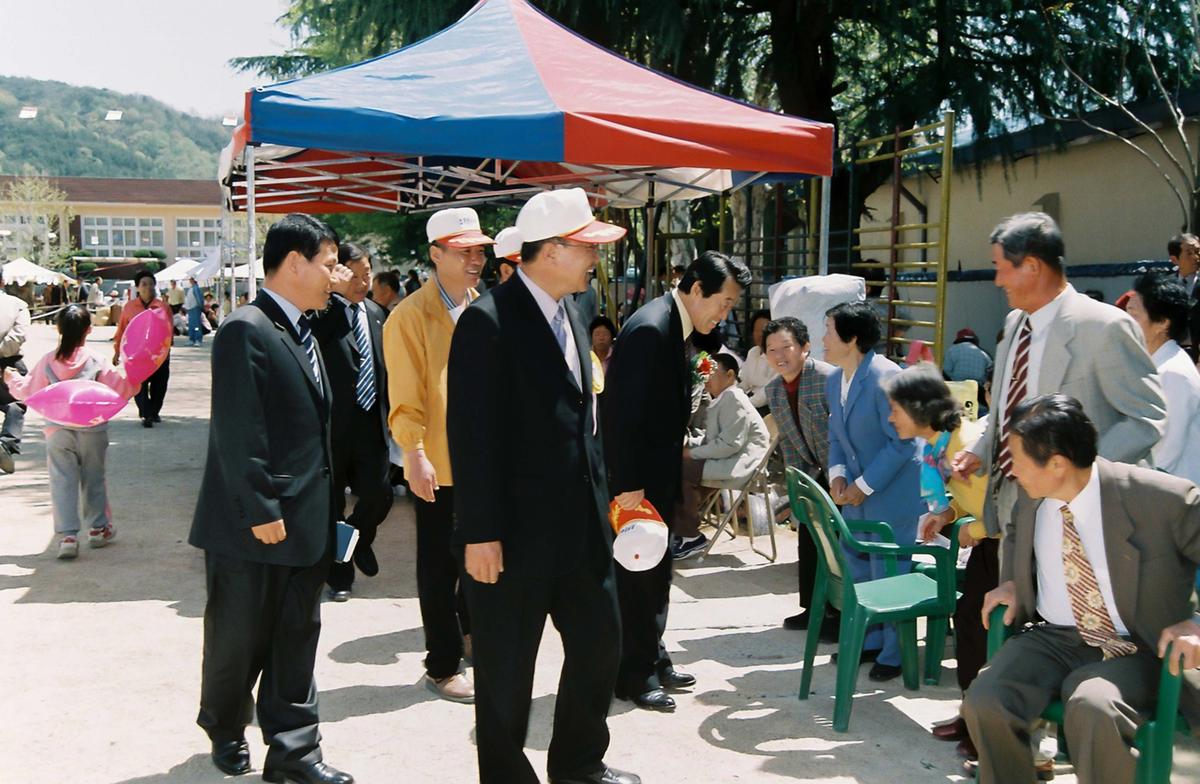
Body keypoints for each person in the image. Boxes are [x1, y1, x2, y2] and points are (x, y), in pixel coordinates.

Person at [447, 187, 638, 784]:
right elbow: (470, 436)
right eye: (587, 248)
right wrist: (479, 533)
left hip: (581, 531)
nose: (595, 260)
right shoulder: (487, 321)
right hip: (512, 537)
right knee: (506, 673)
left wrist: (610, 502)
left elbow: (582, 422)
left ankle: (579, 765)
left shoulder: (573, 312)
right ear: (551, 250)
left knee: (600, 646)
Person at [188, 213, 355, 784]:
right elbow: (239, 431)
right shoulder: (246, 328)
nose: (336, 275)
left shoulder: (305, 329)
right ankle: (225, 725)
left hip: (306, 519)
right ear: (294, 263)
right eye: (329, 264)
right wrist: (262, 509)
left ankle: (294, 754)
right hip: (253, 525)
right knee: (238, 640)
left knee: (296, 640)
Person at [962, 394, 1200, 784]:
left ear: (1057, 463)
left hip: (1140, 645)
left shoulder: (1163, 499)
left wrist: (1195, 624)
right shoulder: (1031, 498)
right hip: (1056, 637)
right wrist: (1014, 583)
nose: (1011, 471)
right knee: (986, 699)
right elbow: (1017, 535)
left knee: (1092, 704)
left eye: (1017, 460)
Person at [952, 213, 1166, 555]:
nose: (997, 280)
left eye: (1001, 268)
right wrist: (979, 451)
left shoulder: (1104, 327)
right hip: (1012, 510)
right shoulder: (1014, 323)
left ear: (1032, 267)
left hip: (1079, 517)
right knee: (1018, 589)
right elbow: (1006, 409)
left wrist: (1073, 474)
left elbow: (1146, 419)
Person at [604, 249, 751, 712]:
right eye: (723, 303)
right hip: (637, 480)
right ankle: (633, 675)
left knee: (658, 571)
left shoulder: (682, 325)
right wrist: (629, 484)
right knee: (636, 576)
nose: (725, 314)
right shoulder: (651, 328)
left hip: (661, 469)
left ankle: (653, 655)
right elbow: (621, 414)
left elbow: (694, 367)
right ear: (696, 289)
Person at [383, 207, 493, 703]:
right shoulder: (409, 317)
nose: (475, 260)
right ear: (435, 254)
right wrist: (415, 453)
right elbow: (405, 397)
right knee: (437, 567)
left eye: (479, 251)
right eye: (464, 251)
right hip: (438, 463)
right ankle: (442, 664)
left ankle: (471, 638)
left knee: (481, 554)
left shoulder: (482, 306)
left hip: (481, 460)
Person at [882, 362, 992, 757]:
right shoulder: (938, 448)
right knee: (969, 623)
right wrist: (947, 515)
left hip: (1012, 545)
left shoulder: (965, 446)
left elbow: (1013, 504)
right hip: (991, 543)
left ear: (919, 409)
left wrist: (975, 529)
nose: (891, 417)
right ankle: (972, 714)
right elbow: (971, 498)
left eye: (896, 409)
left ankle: (990, 729)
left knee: (985, 629)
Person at [823, 300, 924, 683]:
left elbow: (903, 442)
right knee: (860, 568)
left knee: (890, 572)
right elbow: (836, 436)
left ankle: (895, 654)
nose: (823, 338)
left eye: (829, 330)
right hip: (855, 493)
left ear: (851, 338)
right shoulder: (834, 380)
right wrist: (836, 475)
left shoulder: (887, 377)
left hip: (891, 492)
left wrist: (863, 485)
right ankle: (870, 640)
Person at [5, 305, 137, 558]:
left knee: (62, 481)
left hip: (57, 431)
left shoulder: (48, 360)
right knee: (94, 478)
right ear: (89, 330)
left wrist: (12, 379)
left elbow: (28, 391)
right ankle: (98, 529)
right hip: (93, 430)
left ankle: (68, 537)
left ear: (59, 329)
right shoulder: (96, 360)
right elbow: (120, 390)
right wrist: (136, 380)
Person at [311, 242, 392, 602]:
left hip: (371, 424)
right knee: (333, 507)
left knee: (380, 495)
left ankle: (358, 539)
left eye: (367, 275)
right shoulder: (323, 312)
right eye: (354, 276)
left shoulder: (377, 313)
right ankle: (340, 575)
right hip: (333, 428)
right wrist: (336, 296)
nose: (362, 283)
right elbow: (313, 340)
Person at [761, 317, 835, 633]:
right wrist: (797, 490)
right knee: (808, 536)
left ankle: (837, 613)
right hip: (812, 473)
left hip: (842, 472)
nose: (780, 355)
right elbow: (789, 445)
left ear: (805, 347)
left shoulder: (829, 378)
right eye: (771, 349)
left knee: (837, 545)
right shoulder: (774, 390)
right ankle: (812, 608)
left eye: (787, 347)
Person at [673, 353, 770, 560]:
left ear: (730, 375)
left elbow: (729, 445)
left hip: (742, 465)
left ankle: (690, 536)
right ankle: (683, 528)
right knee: (680, 466)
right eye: (704, 374)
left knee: (680, 470)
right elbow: (713, 439)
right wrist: (688, 446)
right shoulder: (724, 399)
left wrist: (691, 452)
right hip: (729, 459)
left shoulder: (734, 398)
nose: (706, 379)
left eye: (712, 373)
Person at [1126, 272, 1200, 485]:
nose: (1124, 323)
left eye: (1133, 316)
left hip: (1172, 494)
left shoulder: (1173, 374)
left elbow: (1165, 452)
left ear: (1162, 323)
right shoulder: (1156, 365)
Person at [112, 269, 173, 429]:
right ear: (137, 287)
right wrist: (117, 351)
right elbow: (122, 330)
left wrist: (167, 351)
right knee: (139, 385)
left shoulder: (162, 307)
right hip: (136, 355)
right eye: (144, 284)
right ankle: (146, 413)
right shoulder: (129, 307)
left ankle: (154, 411)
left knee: (159, 385)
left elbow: (169, 330)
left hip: (158, 355)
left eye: (151, 284)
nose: (148, 287)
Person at [0, 289, 30, 474]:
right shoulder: (17, 305)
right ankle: (6, 443)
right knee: (15, 403)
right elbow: (18, 335)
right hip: (8, 362)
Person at [1168, 232, 1200, 360]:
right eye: (1189, 253)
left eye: (1197, 251)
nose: (1196, 257)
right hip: (1173, 352)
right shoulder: (1167, 285)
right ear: (1174, 259)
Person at [737, 309, 776, 412]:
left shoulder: (779, 357)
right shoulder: (753, 352)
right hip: (748, 400)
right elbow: (744, 381)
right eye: (756, 330)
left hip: (766, 407)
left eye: (764, 331)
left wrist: (747, 404)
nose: (760, 334)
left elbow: (768, 392)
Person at [185, 277, 205, 347]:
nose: (190, 280)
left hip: (195, 308)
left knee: (196, 326)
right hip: (190, 309)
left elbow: (199, 299)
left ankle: (198, 339)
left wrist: (201, 307)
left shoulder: (196, 288)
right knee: (191, 325)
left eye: (191, 279)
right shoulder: (191, 288)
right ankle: (191, 339)